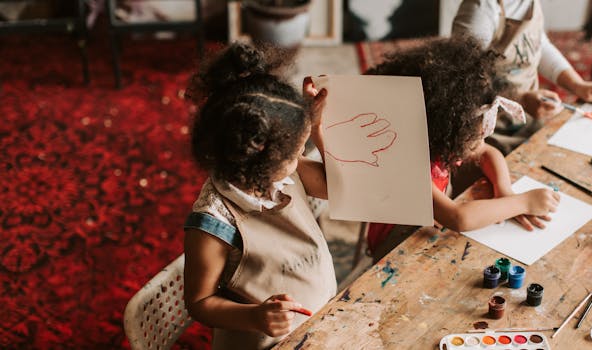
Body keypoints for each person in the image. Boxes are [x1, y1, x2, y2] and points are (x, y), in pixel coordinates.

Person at [182, 42, 334, 349]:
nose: (300, 157)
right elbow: (199, 301)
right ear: (263, 161)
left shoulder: (283, 172)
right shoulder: (213, 221)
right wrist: (255, 317)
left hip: (321, 327)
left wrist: (314, 129)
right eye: (295, 151)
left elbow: (337, 185)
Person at [361, 36, 561, 261]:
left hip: (430, 227)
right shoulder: (406, 164)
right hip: (396, 246)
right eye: (479, 130)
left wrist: (504, 190)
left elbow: (487, 153)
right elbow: (459, 218)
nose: (483, 136)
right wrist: (522, 202)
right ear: (447, 129)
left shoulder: (438, 141)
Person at [452, 0, 592, 154]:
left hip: (528, 119)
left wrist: (577, 84)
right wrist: (520, 99)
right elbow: (464, 80)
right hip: (488, 134)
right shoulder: (481, 9)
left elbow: (539, 45)